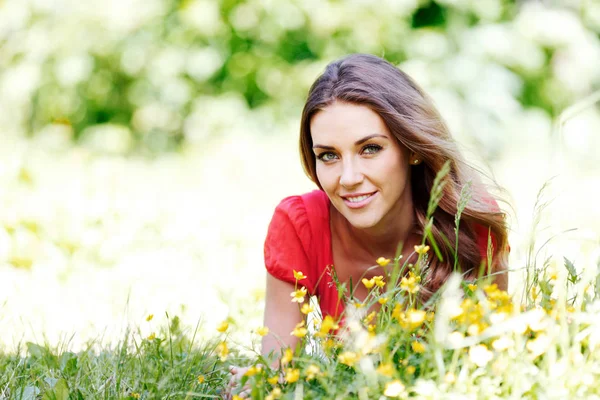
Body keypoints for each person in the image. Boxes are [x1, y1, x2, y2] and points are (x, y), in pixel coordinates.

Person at [226, 53, 509, 398]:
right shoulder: (300, 224)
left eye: (370, 149)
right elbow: (277, 371)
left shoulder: (471, 224)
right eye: (328, 155)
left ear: (412, 148)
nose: (348, 178)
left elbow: (490, 366)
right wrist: (260, 381)